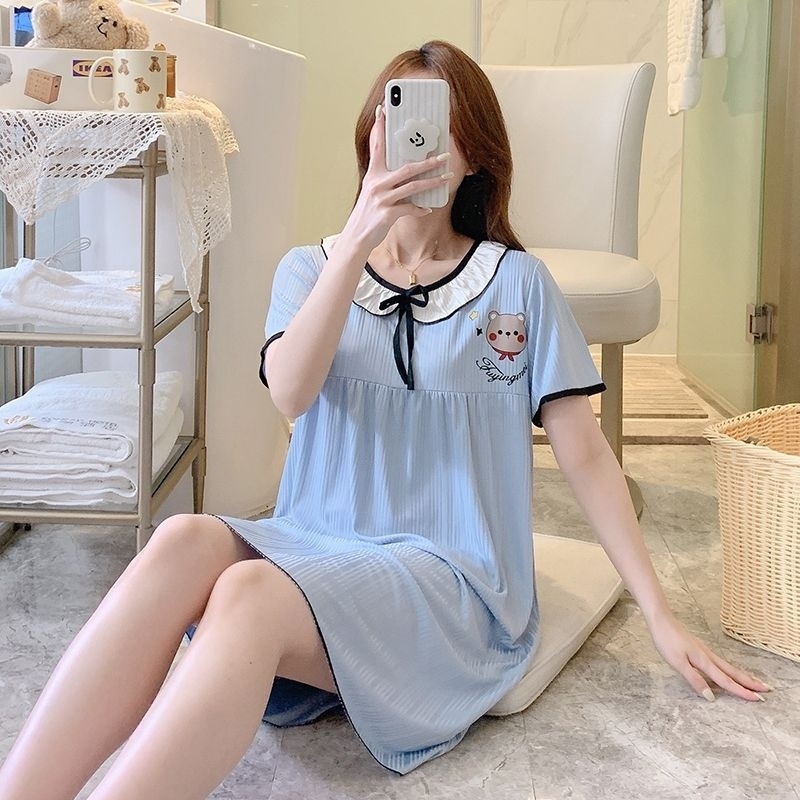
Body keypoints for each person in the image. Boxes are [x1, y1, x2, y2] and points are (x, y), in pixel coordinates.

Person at [0, 40, 772, 800]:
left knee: (249, 594)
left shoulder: (519, 285)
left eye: (443, 127)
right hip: (318, 543)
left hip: (453, 579)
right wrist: (357, 244)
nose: (418, 143)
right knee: (184, 540)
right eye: (398, 120)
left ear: (476, 157)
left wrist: (661, 616)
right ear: (372, 136)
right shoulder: (310, 269)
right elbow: (290, 394)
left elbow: (589, 458)